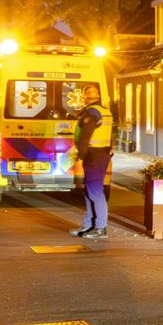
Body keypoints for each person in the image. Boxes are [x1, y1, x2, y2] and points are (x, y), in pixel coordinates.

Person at [71, 84, 113, 238]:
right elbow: (110, 134)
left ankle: (101, 228)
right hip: (100, 154)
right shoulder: (104, 111)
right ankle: (89, 225)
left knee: (95, 192)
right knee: (89, 192)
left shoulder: (92, 113)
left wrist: (81, 154)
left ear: (85, 97)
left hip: (94, 154)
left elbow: (85, 135)